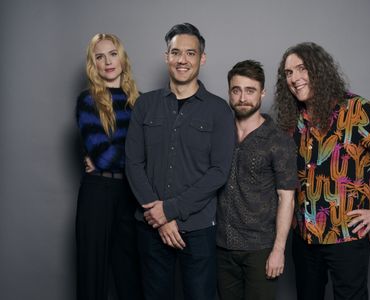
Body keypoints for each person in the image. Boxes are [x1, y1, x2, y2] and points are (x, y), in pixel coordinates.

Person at [274, 42, 370, 300]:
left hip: (347, 237)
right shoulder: (292, 120)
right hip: (304, 238)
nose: (294, 78)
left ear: (319, 69)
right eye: (288, 73)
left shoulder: (359, 110)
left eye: (301, 68)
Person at [125, 23, 235, 300]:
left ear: (202, 58)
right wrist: (160, 218)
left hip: (198, 229)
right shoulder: (145, 105)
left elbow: (219, 171)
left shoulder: (219, 110)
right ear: (166, 57)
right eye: (175, 52)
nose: (182, 60)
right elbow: (133, 164)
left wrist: (171, 210)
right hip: (150, 226)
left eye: (190, 53)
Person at [216, 60, 298, 300]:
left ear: (262, 93)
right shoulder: (218, 132)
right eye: (236, 90)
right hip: (221, 245)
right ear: (229, 92)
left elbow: (287, 199)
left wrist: (278, 251)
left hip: (260, 249)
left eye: (250, 90)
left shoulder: (278, 140)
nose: (242, 97)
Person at [75, 33, 143, 300]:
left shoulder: (140, 102)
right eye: (99, 57)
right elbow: (102, 156)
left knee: (131, 274)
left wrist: (128, 160)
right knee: (92, 275)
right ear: (94, 64)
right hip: (98, 191)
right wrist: (135, 160)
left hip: (131, 194)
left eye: (113, 54)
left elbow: (153, 153)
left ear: (122, 58)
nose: (108, 62)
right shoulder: (88, 100)